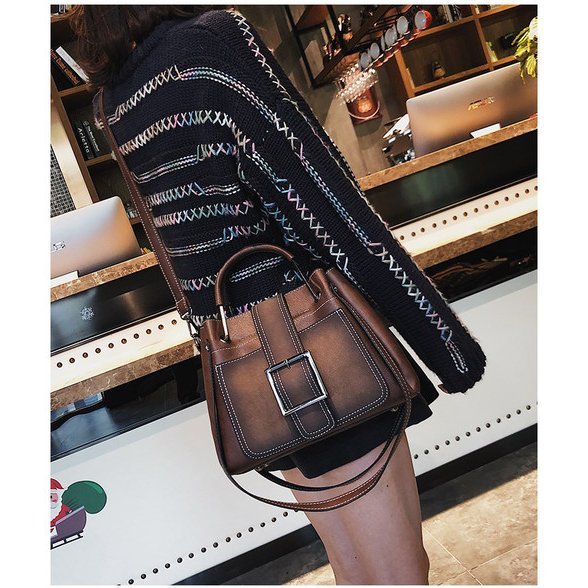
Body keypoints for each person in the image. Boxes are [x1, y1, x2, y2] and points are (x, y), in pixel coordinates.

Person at [69, 5, 486, 584]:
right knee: (400, 572)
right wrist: (446, 345)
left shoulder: (115, 100)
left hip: (253, 370)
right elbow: (327, 206)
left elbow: (187, 267)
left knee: (356, 570)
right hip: (321, 343)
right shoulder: (212, 43)